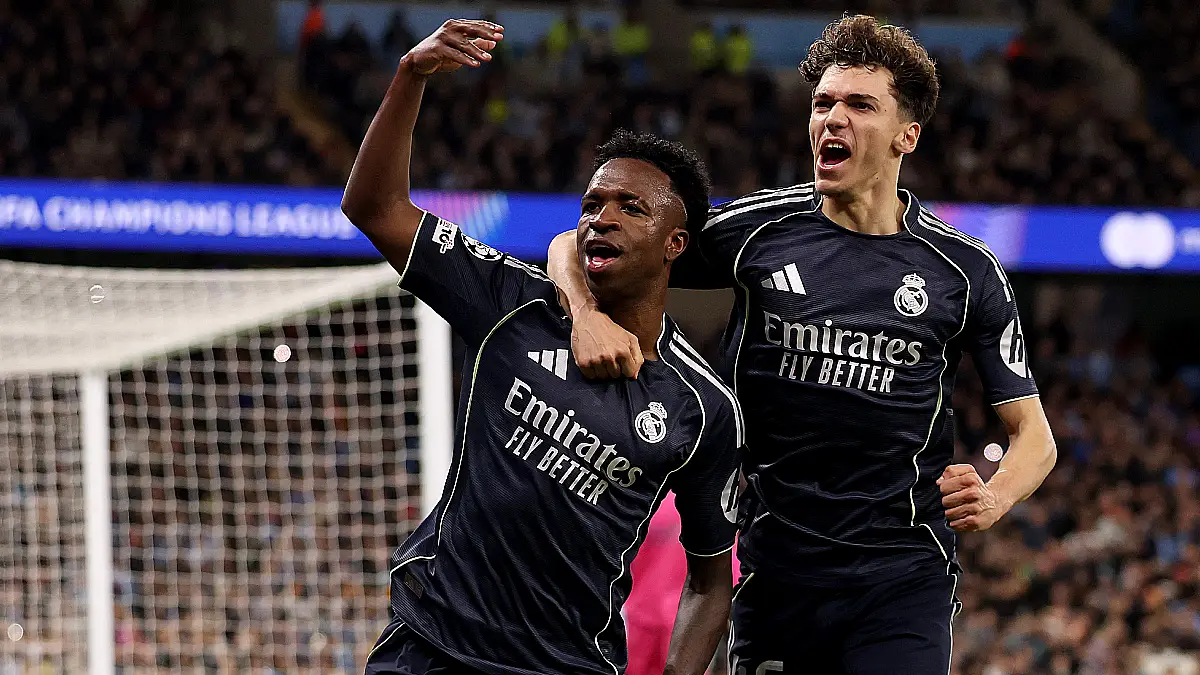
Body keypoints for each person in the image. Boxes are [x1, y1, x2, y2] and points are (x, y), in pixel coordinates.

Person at [547, 14, 1058, 675]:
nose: (832, 118)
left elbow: (1035, 437)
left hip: (900, 578)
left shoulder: (964, 270)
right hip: (774, 573)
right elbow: (576, 244)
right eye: (823, 103)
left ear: (908, 134)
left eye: (858, 104)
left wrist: (997, 494)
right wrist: (585, 311)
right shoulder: (756, 232)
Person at [340, 19, 743, 675]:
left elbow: (711, 580)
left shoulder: (702, 406)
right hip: (430, 647)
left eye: (631, 208)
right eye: (591, 204)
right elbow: (374, 205)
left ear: (675, 244)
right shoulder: (513, 301)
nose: (601, 218)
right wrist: (409, 77)